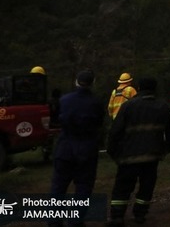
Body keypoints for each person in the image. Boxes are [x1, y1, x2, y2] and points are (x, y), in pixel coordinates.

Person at [107, 77, 170, 226]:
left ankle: (117, 217)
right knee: (146, 187)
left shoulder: (128, 106)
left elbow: (115, 132)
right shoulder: (163, 107)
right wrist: (165, 150)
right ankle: (140, 215)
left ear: (138, 88)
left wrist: (113, 152)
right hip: (152, 157)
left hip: (128, 156)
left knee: (122, 187)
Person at [48, 69, 104, 226]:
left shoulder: (64, 100)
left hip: (65, 148)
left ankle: (54, 221)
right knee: (83, 188)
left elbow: (57, 120)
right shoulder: (96, 102)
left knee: (58, 187)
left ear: (76, 82)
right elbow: (99, 123)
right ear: (93, 83)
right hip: (87, 149)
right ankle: (76, 221)